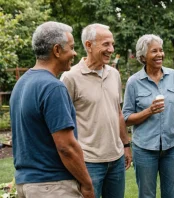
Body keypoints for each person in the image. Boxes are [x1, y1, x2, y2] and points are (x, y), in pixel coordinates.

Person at [10, 21, 94, 198]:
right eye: (71, 47)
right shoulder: (53, 87)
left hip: (26, 184)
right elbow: (66, 147)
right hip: (52, 186)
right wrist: (87, 184)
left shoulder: (21, 83)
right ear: (57, 50)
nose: (74, 53)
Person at [60, 23, 132, 198]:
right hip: (88, 161)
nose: (111, 49)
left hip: (116, 160)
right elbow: (62, 122)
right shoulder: (70, 77)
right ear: (88, 45)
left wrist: (126, 145)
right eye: (106, 44)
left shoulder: (114, 74)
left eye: (112, 44)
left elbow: (118, 112)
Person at [122, 34, 174, 198]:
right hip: (144, 149)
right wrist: (149, 111)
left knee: (171, 194)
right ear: (143, 56)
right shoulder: (133, 82)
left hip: (171, 146)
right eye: (154, 51)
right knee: (146, 195)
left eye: (161, 50)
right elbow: (126, 118)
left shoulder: (173, 76)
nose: (160, 54)